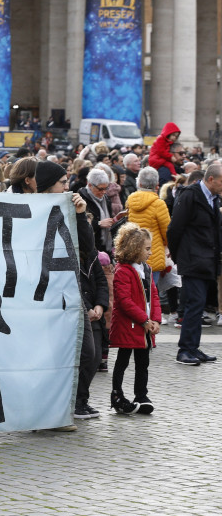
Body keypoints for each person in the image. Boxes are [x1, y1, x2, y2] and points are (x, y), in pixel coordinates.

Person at [34, 160, 103, 427]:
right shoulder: (32, 211)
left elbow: (89, 249)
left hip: (73, 293)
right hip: (46, 296)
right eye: (62, 183)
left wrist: (78, 216)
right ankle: (52, 411)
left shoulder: (70, 209)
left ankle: (70, 403)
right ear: (48, 187)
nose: (68, 187)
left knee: (87, 352)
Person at [166, 162, 222, 366]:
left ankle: (193, 346)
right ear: (211, 179)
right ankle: (185, 350)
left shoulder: (214, 198)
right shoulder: (190, 195)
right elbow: (174, 228)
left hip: (207, 260)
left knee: (199, 306)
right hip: (192, 259)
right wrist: (179, 256)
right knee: (194, 303)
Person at [109, 223, 161, 415]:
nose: (150, 252)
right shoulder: (123, 271)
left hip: (144, 326)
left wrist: (155, 319)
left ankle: (141, 395)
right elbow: (124, 301)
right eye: (147, 249)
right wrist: (144, 320)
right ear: (135, 248)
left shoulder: (146, 269)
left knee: (143, 362)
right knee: (122, 360)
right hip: (129, 325)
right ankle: (117, 394)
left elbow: (154, 295)